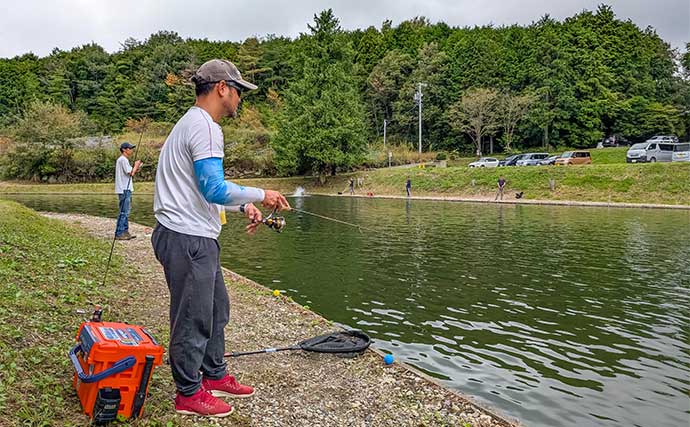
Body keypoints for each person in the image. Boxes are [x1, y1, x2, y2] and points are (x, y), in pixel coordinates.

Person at [151, 59, 290, 418]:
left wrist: (245, 206)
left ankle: (213, 374)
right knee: (193, 316)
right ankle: (188, 393)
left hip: (190, 235)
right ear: (222, 88)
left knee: (216, 309)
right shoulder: (206, 128)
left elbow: (198, 188)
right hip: (187, 237)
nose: (241, 98)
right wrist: (263, 194)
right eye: (239, 90)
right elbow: (213, 187)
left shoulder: (191, 123)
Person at [114, 142, 142, 240]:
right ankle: (119, 233)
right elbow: (131, 173)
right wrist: (136, 165)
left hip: (125, 189)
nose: (131, 150)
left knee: (126, 211)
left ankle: (125, 232)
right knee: (124, 212)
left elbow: (132, 171)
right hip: (124, 189)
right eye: (130, 148)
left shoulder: (123, 160)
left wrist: (136, 167)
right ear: (124, 149)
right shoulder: (123, 160)